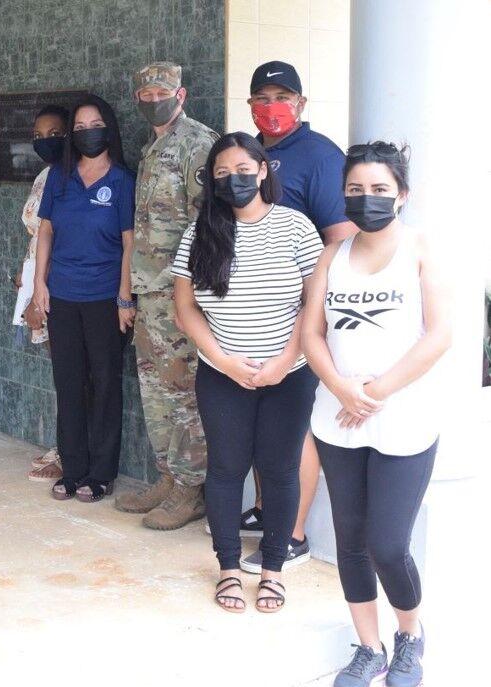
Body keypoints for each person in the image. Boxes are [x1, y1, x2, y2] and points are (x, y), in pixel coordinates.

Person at [302, 143, 449, 687]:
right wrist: (342, 388)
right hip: (339, 419)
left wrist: (376, 391)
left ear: (402, 195)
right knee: (351, 541)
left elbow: (441, 335)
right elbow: (311, 333)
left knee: (389, 544)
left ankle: (410, 633)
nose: (368, 200)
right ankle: (369, 647)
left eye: (380, 190)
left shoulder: (419, 250)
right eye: (357, 191)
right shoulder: (332, 254)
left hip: (404, 421)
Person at [172, 132, 322, 613]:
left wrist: (282, 363)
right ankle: (230, 571)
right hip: (222, 374)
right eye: (221, 174)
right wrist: (225, 361)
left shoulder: (296, 227)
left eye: (241, 170)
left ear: (262, 171)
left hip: (290, 373)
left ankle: (274, 569)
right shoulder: (202, 232)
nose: (232, 180)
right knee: (226, 470)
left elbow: (312, 306)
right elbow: (185, 309)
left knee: (279, 472)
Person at [233, 60, 359, 572]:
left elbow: (343, 238)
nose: (271, 107)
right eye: (261, 99)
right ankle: (267, 510)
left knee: (292, 427)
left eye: (282, 96)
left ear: (302, 103)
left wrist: (316, 308)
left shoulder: (321, 156)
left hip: (300, 314)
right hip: (254, 311)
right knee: (265, 420)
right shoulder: (251, 152)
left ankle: (292, 533)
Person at [113, 61, 218, 530]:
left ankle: (192, 488)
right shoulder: (152, 148)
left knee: (182, 391)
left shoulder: (199, 143)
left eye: (162, 91)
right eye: (145, 94)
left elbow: (209, 225)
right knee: (154, 391)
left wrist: (189, 294)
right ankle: (168, 478)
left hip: (179, 293)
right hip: (148, 292)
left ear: (181, 94)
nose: (152, 99)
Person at [31, 94, 136, 503]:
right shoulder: (59, 177)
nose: (86, 132)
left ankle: (101, 473)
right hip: (63, 296)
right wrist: (41, 284)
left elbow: (130, 244)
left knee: (106, 385)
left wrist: (125, 298)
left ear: (107, 128)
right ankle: (73, 470)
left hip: (105, 299)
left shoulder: (123, 181)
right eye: (78, 128)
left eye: (93, 124)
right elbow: (46, 232)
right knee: (69, 384)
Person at [13, 104, 68, 482]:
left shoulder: (73, 178)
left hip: (56, 284)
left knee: (72, 374)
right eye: (37, 135)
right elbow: (36, 233)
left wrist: (41, 286)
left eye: (54, 133)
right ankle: (63, 445)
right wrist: (25, 275)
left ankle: (69, 452)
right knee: (60, 373)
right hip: (37, 281)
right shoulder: (46, 175)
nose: (43, 141)